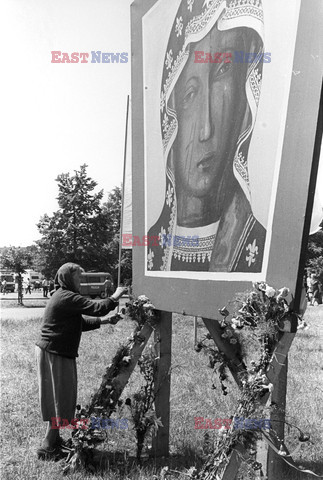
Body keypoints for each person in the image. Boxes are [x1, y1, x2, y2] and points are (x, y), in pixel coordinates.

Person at [147, 0, 266, 272]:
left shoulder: (255, 240)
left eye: (224, 71)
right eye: (189, 95)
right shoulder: (155, 246)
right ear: (169, 120)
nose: (206, 130)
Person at [35, 262, 127, 460]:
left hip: (53, 350)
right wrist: (116, 295)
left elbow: (80, 323)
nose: (81, 282)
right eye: (78, 278)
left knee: (59, 397)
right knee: (60, 397)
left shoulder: (62, 295)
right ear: (68, 278)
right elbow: (97, 307)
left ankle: (53, 440)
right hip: (55, 352)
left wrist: (106, 321)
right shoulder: (67, 296)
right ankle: (48, 447)